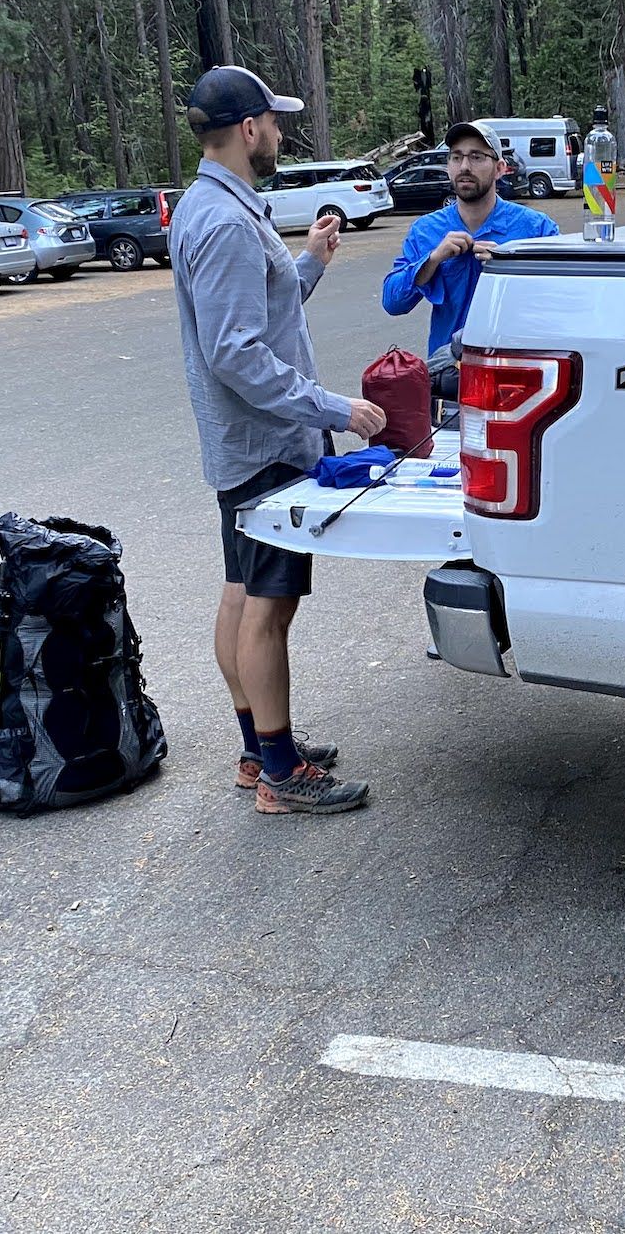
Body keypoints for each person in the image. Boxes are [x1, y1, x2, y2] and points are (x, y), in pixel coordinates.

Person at [170, 64, 384, 816]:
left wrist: (309, 265)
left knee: (239, 594)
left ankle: (259, 749)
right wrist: (332, 410)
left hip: (244, 446)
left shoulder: (214, 206)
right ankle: (282, 778)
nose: (282, 135)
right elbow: (236, 352)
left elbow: (257, 315)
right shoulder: (226, 221)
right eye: (276, 122)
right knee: (269, 607)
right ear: (250, 128)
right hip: (266, 449)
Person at [380, 121, 558, 388]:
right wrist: (433, 260)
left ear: (500, 168)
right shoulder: (427, 231)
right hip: (450, 377)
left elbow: (561, 301)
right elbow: (393, 302)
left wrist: (514, 267)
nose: (465, 166)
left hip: (520, 375)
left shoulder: (536, 228)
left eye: (477, 156)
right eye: (456, 157)